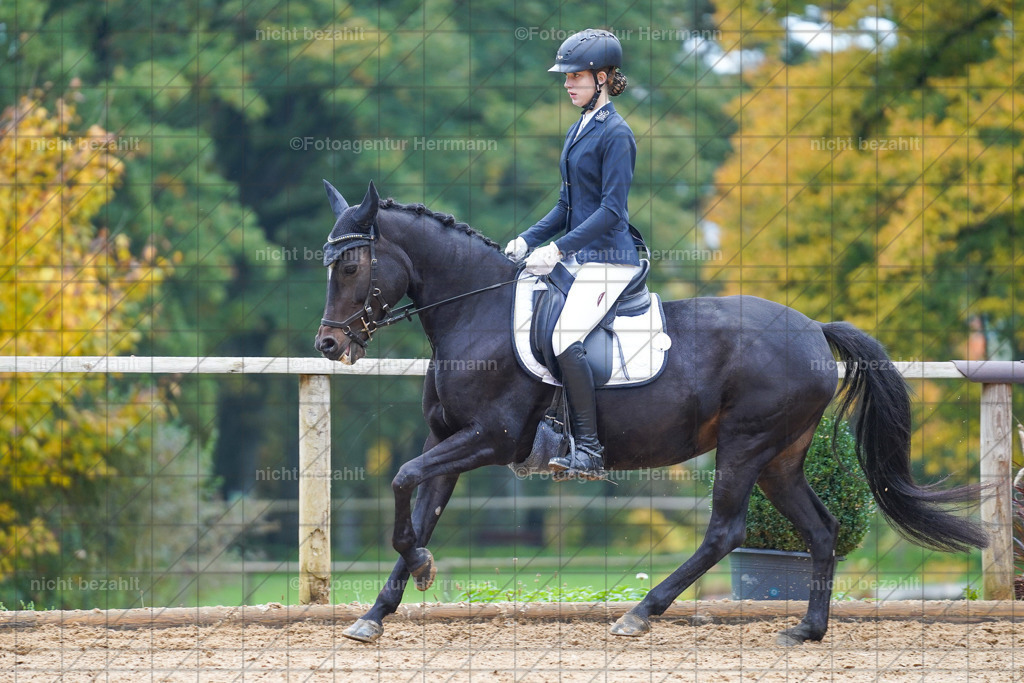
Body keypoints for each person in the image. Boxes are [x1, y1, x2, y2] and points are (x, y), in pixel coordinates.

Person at [505, 28, 641, 480]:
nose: (568, 84)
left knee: (566, 338)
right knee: (532, 320)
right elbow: (567, 206)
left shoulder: (617, 135)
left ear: (602, 78)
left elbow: (610, 211)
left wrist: (558, 249)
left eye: (576, 76)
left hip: (610, 260)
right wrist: (528, 239)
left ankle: (588, 449)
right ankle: (552, 427)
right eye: (566, 77)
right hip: (581, 257)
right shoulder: (579, 127)